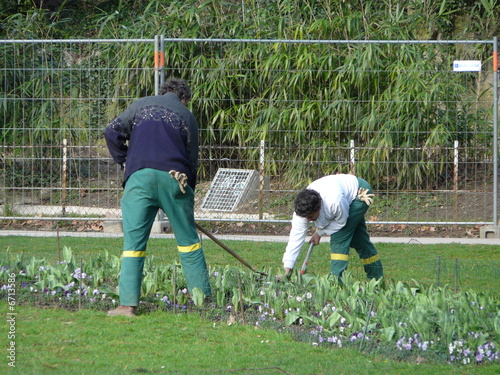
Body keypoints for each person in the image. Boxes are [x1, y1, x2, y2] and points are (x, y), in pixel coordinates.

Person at [104, 78, 211, 317]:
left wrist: (126, 162)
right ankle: (203, 302)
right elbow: (192, 162)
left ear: (162, 92)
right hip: (174, 179)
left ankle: (127, 305)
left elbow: (111, 131)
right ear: (184, 99)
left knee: (133, 245)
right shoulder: (186, 115)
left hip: (139, 179)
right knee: (188, 242)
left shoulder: (140, 105)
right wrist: (186, 200)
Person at [280, 173, 384, 282]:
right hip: (342, 193)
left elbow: (341, 223)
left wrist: (319, 233)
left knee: (339, 238)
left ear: (319, 206)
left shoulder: (334, 201)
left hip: (359, 192)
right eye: (305, 218)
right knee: (359, 240)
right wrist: (287, 271)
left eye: (310, 217)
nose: (308, 221)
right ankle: (377, 280)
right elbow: (295, 240)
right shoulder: (301, 213)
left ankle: (336, 284)